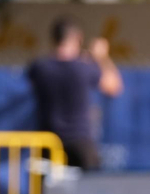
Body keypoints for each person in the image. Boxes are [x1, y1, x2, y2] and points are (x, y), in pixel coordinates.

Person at [25, 18, 123, 169]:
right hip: (80, 142)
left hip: (49, 142)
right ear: (78, 39)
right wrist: (101, 57)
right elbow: (114, 86)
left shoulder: (40, 67)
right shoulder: (84, 68)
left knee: (47, 190)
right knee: (86, 191)